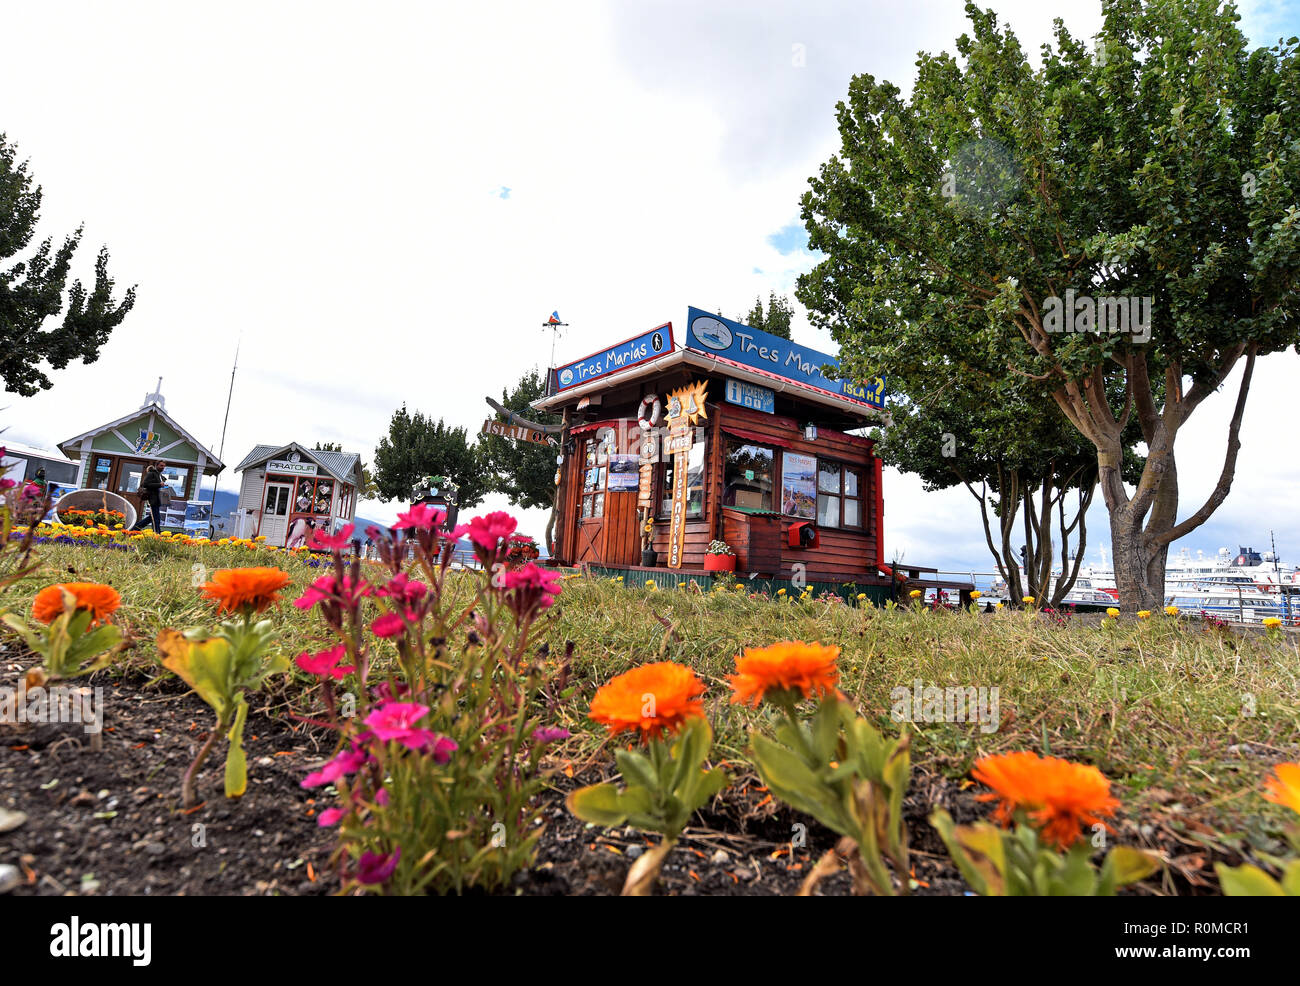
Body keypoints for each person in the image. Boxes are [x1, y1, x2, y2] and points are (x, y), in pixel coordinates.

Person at [131, 461, 165, 533]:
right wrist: (159, 485)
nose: (163, 467)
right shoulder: (151, 473)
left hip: (157, 499)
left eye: (164, 466)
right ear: (156, 465)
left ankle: (135, 528)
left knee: (152, 517)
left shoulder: (159, 475)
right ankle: (157, 533)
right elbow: (145, 484)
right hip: (152, 499)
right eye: (161, 466)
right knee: (156, 518)